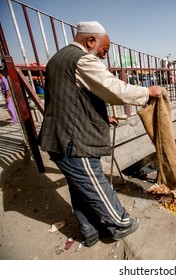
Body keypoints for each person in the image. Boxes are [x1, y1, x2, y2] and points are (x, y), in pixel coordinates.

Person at [37, 21, 163, 247]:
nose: (103, 56)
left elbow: (69, 99)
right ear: (90, 41)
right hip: (73, 141)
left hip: (56, 136)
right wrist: (147, 91)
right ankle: (121, 223)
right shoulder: (82, 59)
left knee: (80, 187)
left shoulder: (57, 58)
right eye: (104, 51)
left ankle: (89, 231)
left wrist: (103, 118)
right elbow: (114, 90)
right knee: (95, 183)